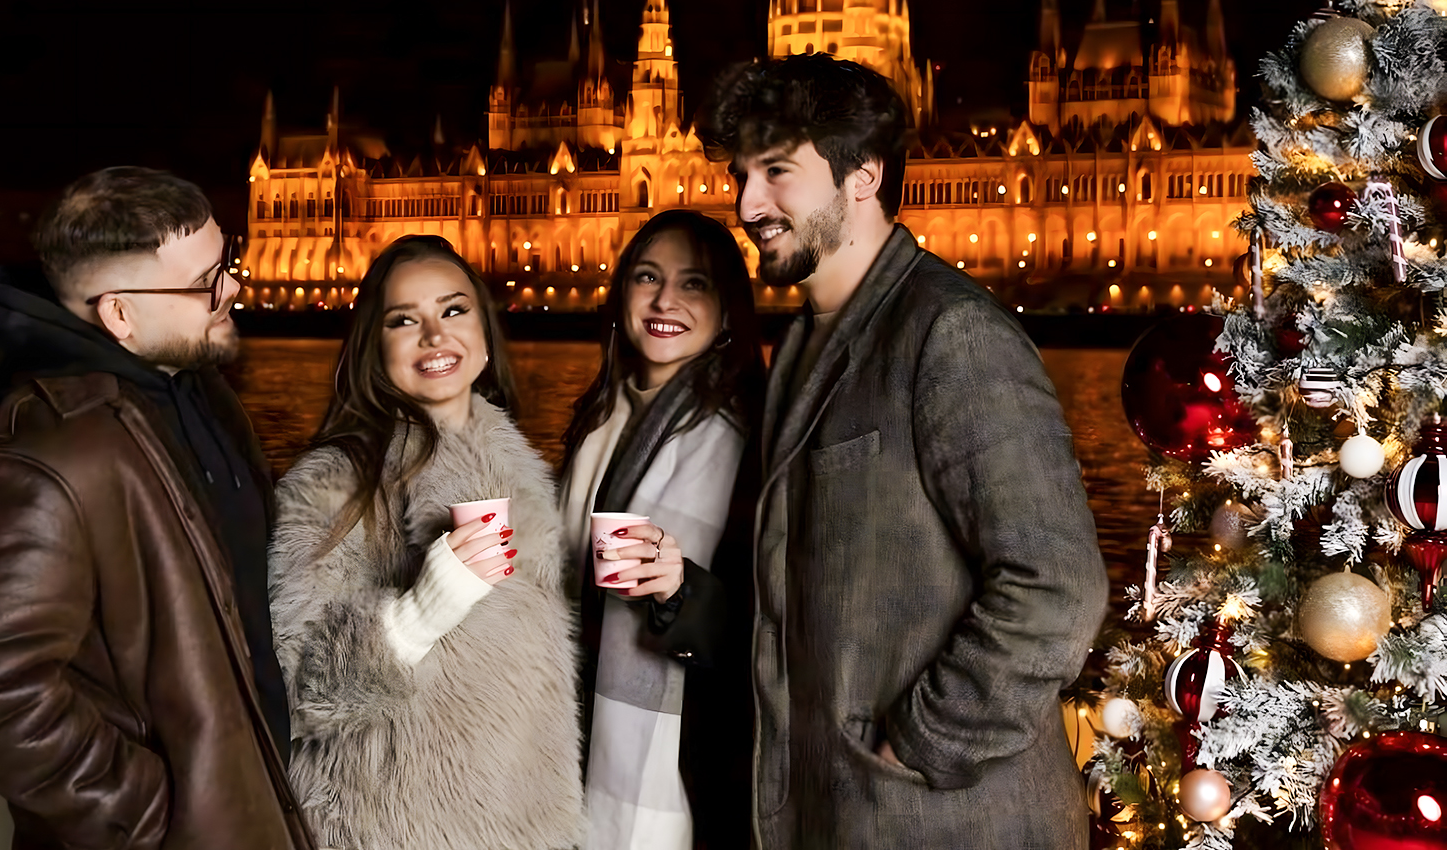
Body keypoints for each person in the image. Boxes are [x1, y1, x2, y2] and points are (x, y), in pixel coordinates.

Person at [697, 53, 1108, 848]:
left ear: (863, 175)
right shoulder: (800, 348)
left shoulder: (951, 334)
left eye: (777, 171)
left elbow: (1056, 583)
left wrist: (921, 740)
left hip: (948, 818)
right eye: (741, 175)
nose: (747, 204)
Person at [0, 167, 314, 850]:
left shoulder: (199, 392)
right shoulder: (46, 457)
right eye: (204, 284)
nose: (234, 290)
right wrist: (159, 818)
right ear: (120, 314)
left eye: (229, 262)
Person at [269, 235, 584, 850]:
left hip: (524, 819)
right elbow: (297, 688)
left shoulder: (516, 465)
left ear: (485, 330)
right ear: (374, 345)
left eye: (454, 310)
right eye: (404, 320)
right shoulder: (335, 481)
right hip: (391, 826)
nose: (436, 336)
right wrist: (417, 615)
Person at [558, 210, 764, 850]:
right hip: (570, 728)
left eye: (694, 283)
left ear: (728, 309)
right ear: (621, 295)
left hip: (689, 756)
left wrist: (680, 590)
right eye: (647, 277)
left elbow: (773, 622)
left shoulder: (748, 441)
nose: (665, 299)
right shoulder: (597, 419)